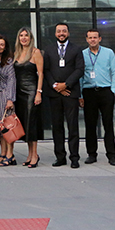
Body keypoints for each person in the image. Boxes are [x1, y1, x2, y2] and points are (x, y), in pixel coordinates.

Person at [42, 23, 84, 168]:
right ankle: (60, 157)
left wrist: (65, 85)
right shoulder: (48, 50)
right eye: (59, 31)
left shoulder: (77, 49)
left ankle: (74, 157)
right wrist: (55, 86)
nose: (61, 33)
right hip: (54, 94)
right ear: (55, 33)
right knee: (57, 127)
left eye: (64, 31)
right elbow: (46, 70)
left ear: (68, 33)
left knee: (73, 126)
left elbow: (79, 70)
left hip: (70, 93)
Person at [80, 29, 115, 166]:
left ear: (100, 39)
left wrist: (113, 90)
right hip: (89, 91)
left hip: (105, 91)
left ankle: (112, 155)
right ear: (86, 39)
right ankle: (91, 154)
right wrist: (80, 94)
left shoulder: (108, 53)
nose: (92, 40)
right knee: (90, 124)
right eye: (90, 37)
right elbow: (80, 75)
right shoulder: (83, 54)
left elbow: (114, 71)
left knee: (108, 124)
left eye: (95, 37)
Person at [12, 27, 44, 168]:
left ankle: (35, 155)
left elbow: (41, 74)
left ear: (31, 38)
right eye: (21, 36)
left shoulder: (35, 52)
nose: (24, 38)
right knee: (25, 124)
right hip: (19, 93)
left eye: (26, 36)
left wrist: (38, 92)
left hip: (31, 91)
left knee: (32, 124)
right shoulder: (16, 53)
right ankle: (29, 154)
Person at [0, 35, 16, 166]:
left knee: (8, 127)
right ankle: (3, 153)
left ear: (5, 47)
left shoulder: (9, 61)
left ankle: (10, 155)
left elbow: (12, 80)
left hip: (5, 96)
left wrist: (10, 99)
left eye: (2, 44)